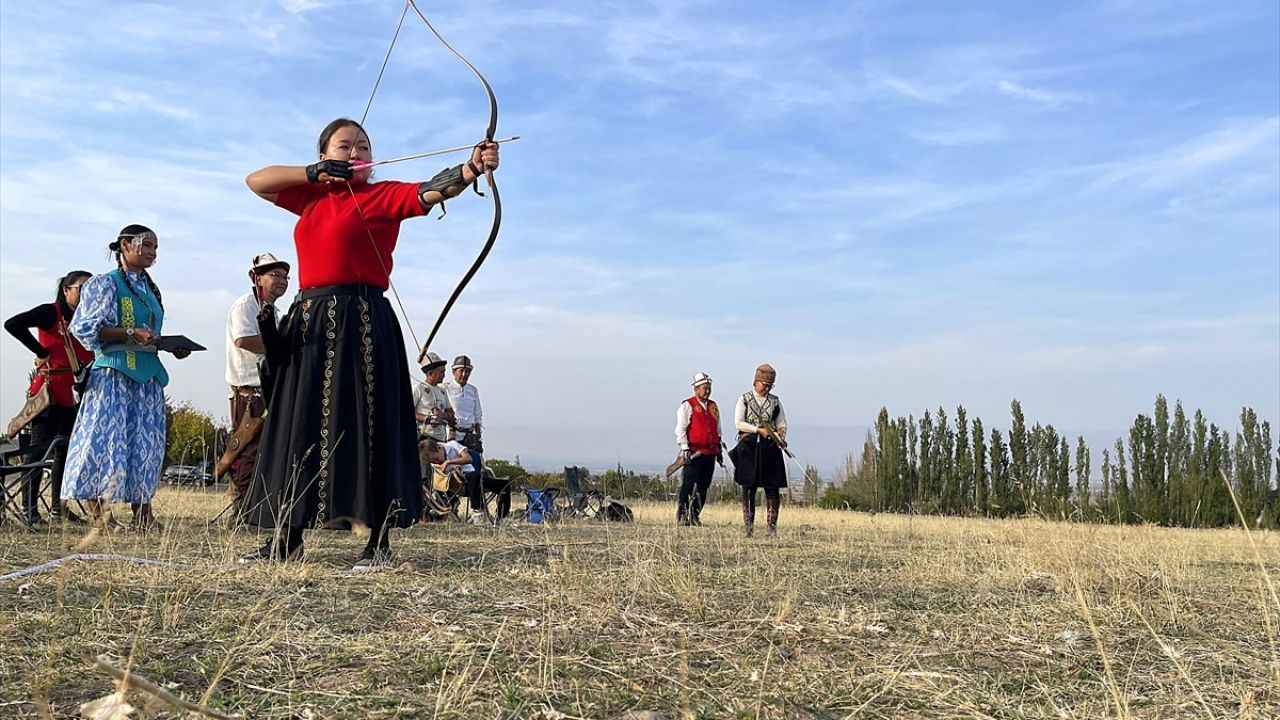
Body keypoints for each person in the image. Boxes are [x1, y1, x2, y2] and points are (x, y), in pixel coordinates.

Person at [240, 118, 499, 569]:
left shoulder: (383, 194)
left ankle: (378, 544)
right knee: (300, 426)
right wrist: (312, 174)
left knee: (370, 425)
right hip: (312, 322)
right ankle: (288, 541)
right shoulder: (312, 196)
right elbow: (255, 181)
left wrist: (471, 169)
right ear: (324, 155)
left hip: (362, 323)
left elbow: (430, 191)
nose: (355, 153)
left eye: (363, 147)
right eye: (344, 146)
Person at [61, 225, 192, 531]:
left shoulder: (150, 289)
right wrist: (130, 332)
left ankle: (143, 513)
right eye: (146, 245)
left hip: (148, 376)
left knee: (145, 444)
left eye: (155, 248)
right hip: (114, 372)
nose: (152, 252)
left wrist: (168, 345)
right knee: (105, 441)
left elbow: (150, 331)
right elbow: (83, 328)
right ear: (125, 245)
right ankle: (101, 516)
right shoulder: (104, 283)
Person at [3, 270, 96, 525]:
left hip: (78, 392)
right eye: (81, 288)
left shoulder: (89, 318)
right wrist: (41, 351)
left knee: (66, 451)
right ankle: (29, 511)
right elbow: (13, 324)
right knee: (38, 452)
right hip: (51, 390)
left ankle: (59, 508)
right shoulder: (51, 312)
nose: (87, 294)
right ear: (66, 290)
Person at [220, 252, 291, 519]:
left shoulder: (275, 311)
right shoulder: (246, 305)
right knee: (247, 451)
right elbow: (243, 340)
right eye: (274, 275)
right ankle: (240, 511)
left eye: (285, 276)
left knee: (265, 452)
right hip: (249, 392)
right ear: (256, 278)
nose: (281, 281)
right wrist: (282, 348)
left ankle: (255, 509)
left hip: (269, 389)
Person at [731, 364, 787, 537]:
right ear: (756, 382)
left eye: (770, 386)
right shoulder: (744, 399)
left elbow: (782, 424)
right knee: (748, 487)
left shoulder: (776, 402)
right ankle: (748, 528)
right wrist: (757, 430)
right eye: (764, 384)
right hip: (748, 447)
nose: (767, 388)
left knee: (772, 488)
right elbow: (739, 423)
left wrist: (780, 436)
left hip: (770, 448)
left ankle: (771, 529)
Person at [674, 371, 722, 526]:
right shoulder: (687, 405)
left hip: (711, 452)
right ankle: (682, 516)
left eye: (709, 387)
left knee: (703, 486)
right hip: (694, 452)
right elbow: (680, 429)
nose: (707, 391)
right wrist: (685, 447)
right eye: (704, 388)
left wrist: (719, 447)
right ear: (696, 389)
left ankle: (694, 515)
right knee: (688, 485)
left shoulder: (713, 406)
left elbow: (718, 428)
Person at [412, 351, 454, 444]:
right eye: (441, 372)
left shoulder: (442, 391)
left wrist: (442, 415)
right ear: (430, 373)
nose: (444, 375)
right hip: (424, 438)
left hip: (441, 440)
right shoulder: (419, 388)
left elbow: (451, 414)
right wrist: (428, 418)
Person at [445, 355, 483, 454]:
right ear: (454, 372)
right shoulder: (446, 388)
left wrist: (478, 435)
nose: (464, 374)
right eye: (461, 371)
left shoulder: (473, 390)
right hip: (452, 434)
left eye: (467, 371)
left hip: (470, 436)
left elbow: (478, 414)